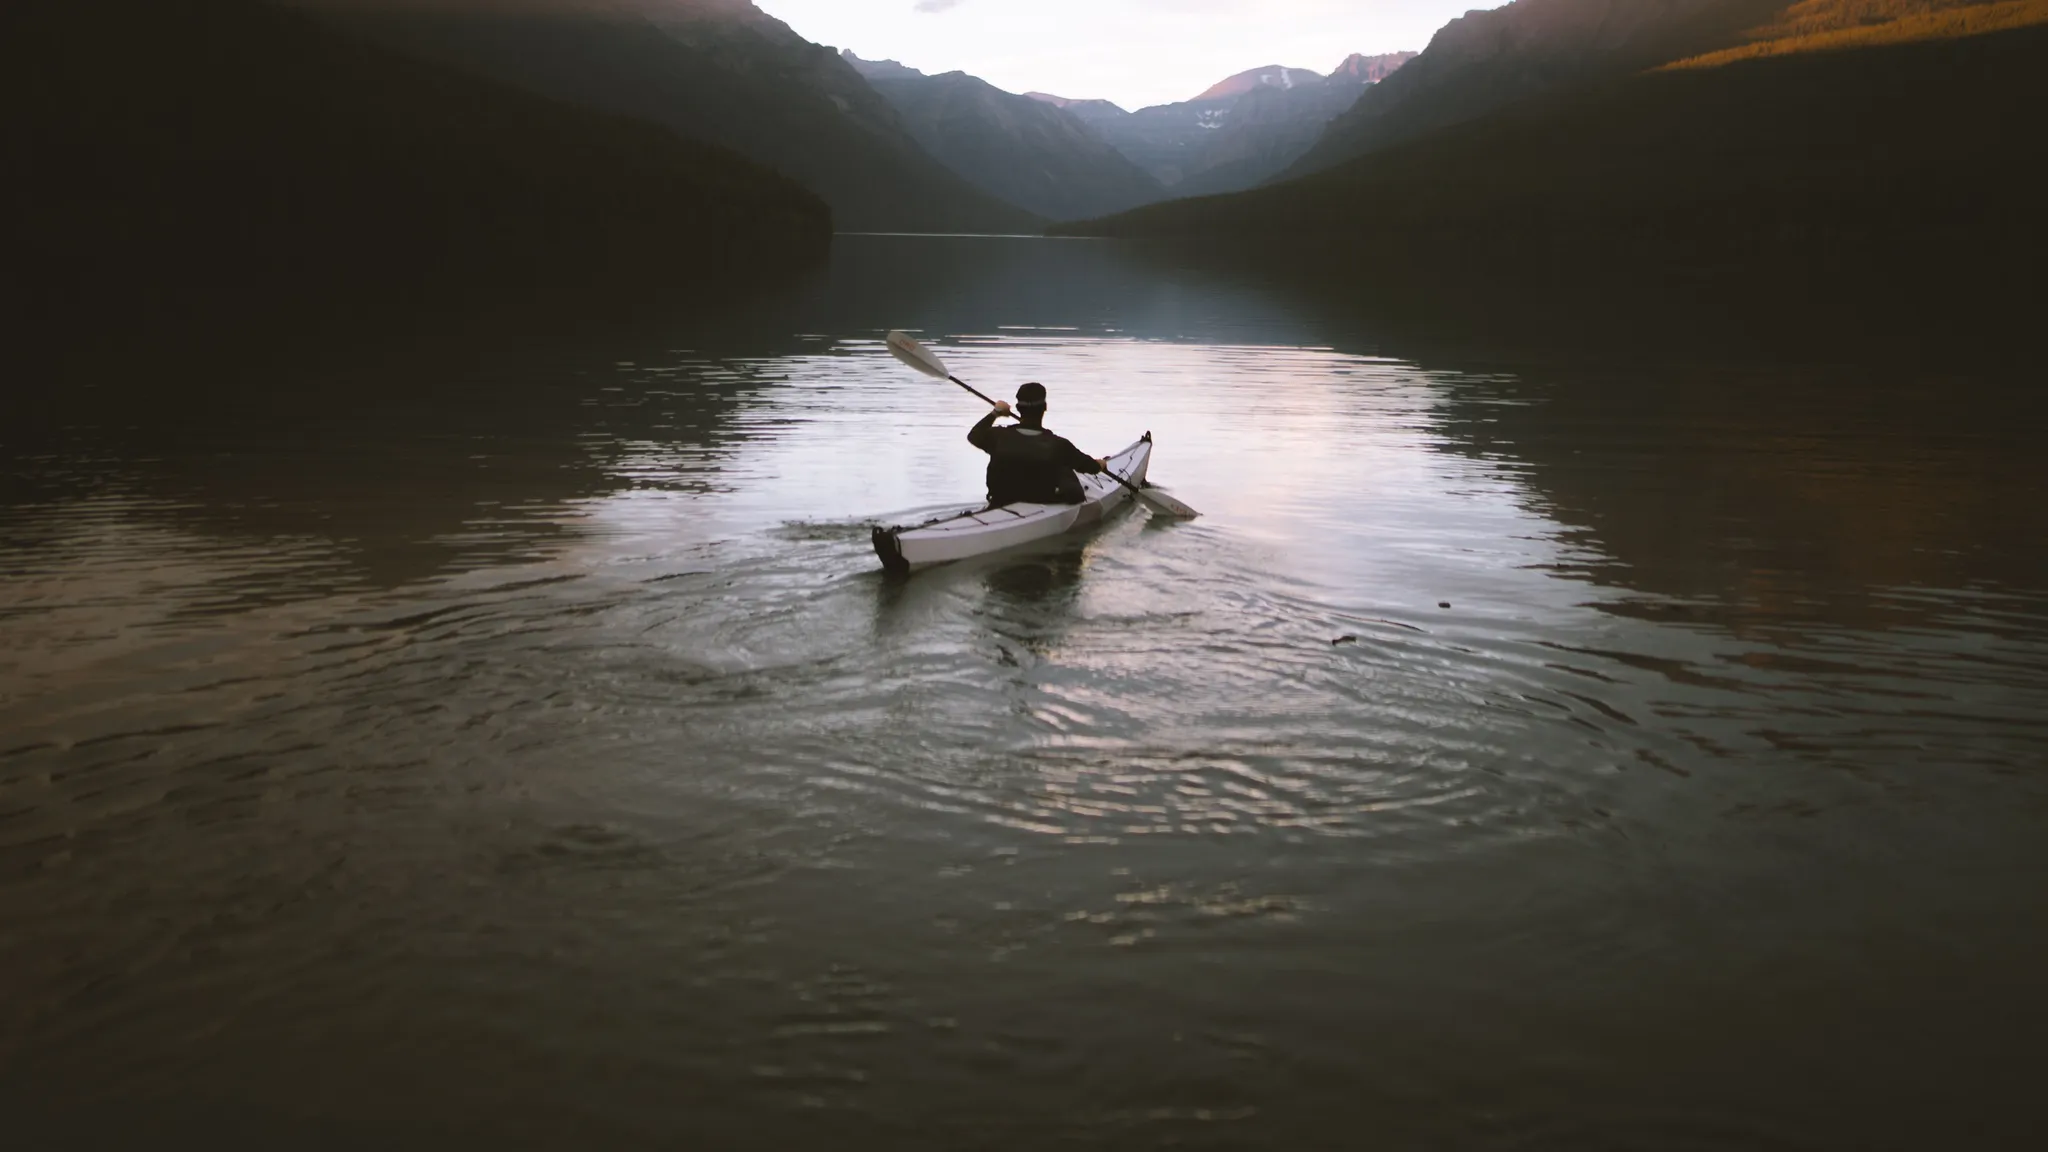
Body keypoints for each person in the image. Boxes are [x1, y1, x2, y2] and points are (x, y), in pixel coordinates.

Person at [966, 382, 1108, 506]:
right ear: (1044, 407)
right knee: (1066, 472)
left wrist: (995, 413)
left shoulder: (998, 437)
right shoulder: (1058, 445)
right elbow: (1092, 468)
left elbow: (974, 436)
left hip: (1000, 500)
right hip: (1045, 500)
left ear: (1018, 408)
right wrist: (1101, 464)